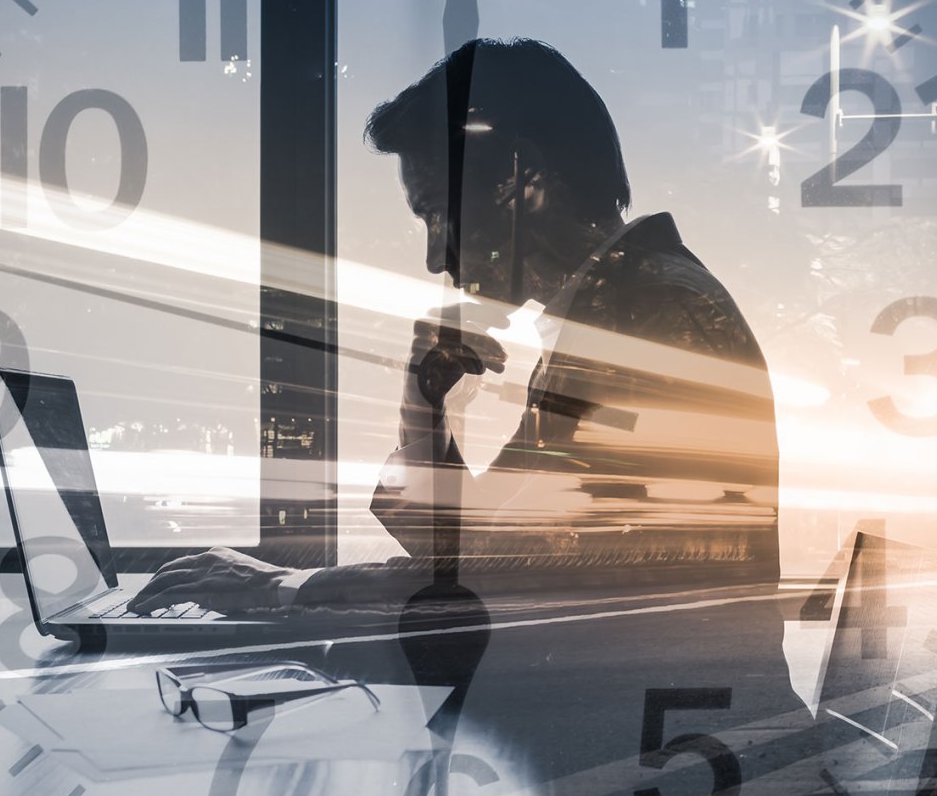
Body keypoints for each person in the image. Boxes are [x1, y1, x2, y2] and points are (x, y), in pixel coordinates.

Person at [131, 37, 781, 613]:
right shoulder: (608, 318)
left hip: (649, 740)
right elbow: (477, 552)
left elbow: (508, 582)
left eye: (437, 212)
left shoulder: (656, 321)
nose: (434, 255)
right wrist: (423, 407)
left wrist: (278, 590)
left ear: (523, 181)